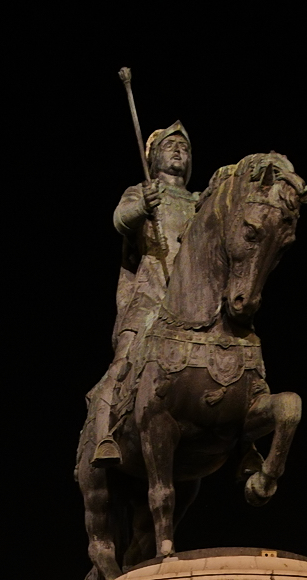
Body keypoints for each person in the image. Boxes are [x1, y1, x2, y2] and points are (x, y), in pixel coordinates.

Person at [87, 122, 198, 464]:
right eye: (170, 146)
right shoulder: (142, 191)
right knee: (123, 362)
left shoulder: (199, 201)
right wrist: (142, 207)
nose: (179, 151)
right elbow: (121, 220)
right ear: (153, 158)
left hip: (194, 299)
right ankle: (105, 435)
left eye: (185, 148)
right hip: (151, 294)